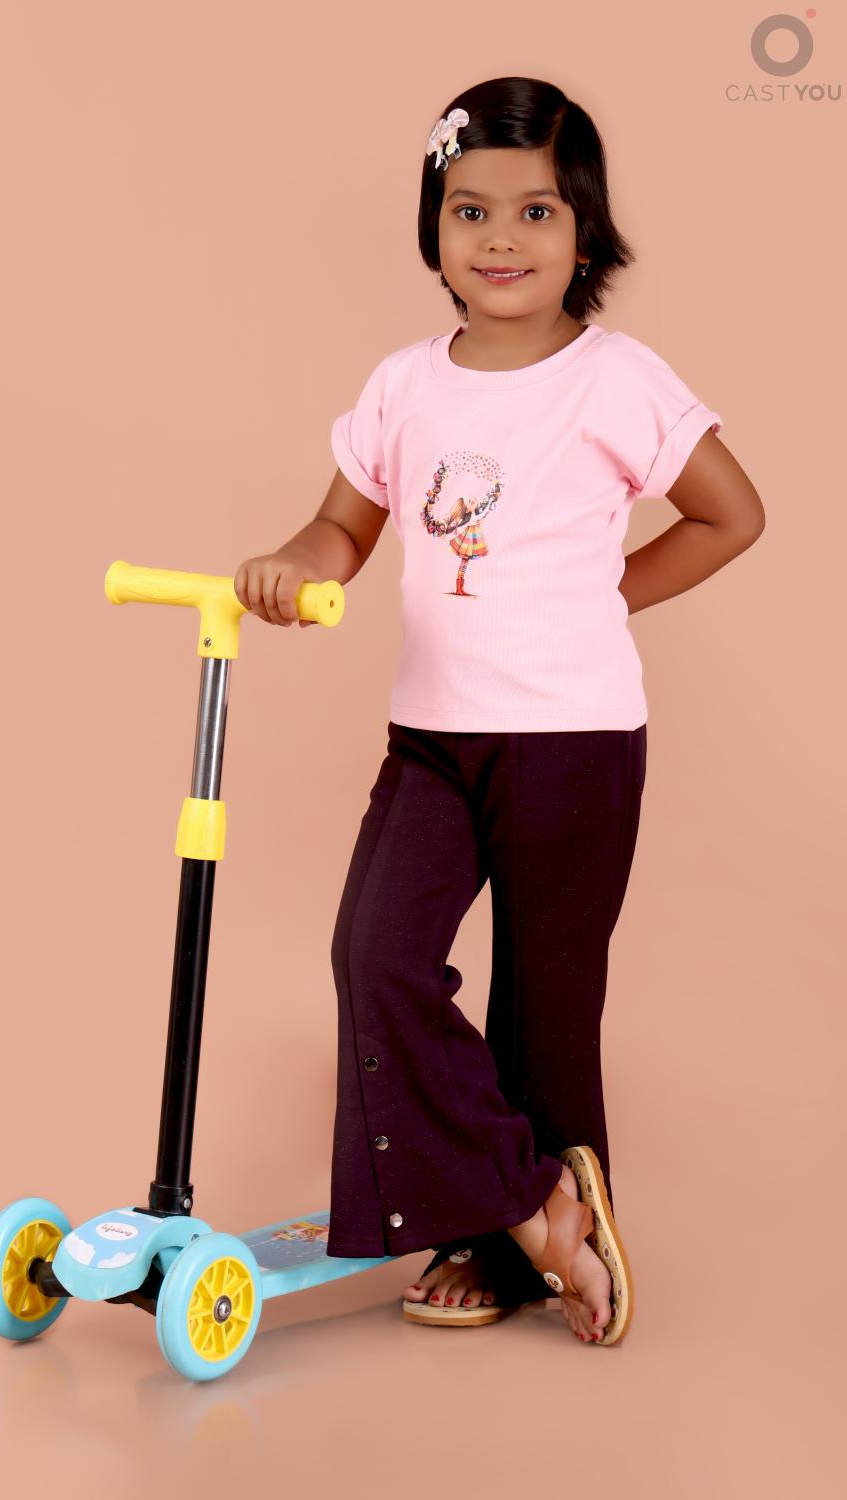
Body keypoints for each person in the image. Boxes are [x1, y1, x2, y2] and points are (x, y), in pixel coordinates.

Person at [233, 77, 765, 1346]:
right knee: (375, 956)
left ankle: (507, 1248)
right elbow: (342, 524)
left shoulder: (616, 379)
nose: (501, 238)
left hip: (576, 740)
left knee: (544, 1004)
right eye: (469, 210)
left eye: (535, 211)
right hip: (431, 736)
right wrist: (297, 565)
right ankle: (530, 1207)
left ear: (584, 230)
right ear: (434, 228)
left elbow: (731, 514)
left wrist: (604, 595)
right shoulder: (404, 385)